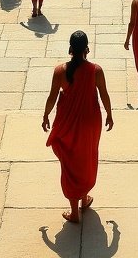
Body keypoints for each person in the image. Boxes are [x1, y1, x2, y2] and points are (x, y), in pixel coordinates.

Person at [43, 30, 114, 223]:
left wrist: (45, 115)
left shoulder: (60, 71)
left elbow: (51, 97)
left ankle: (76, 210)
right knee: (87, 158)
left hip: (67, 124)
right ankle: (83, 198)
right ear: (87, 49)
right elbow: (104, 95)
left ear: (70, 49)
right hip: (90, 123)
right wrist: (109, 114)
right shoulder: (96, 70)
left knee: (70, 163)